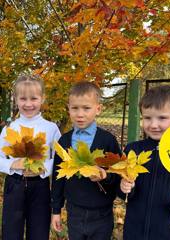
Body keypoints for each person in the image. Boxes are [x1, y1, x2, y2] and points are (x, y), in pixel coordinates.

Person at [118, 85, 170, 240]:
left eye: (162, 118)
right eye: (147, 118)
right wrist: (125, 188)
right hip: (134, 233)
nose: (153, 125)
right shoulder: (133, 150)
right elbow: (123, 193)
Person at [0, 75, 61, 240]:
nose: (28, 104)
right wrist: (14, 164)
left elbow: (60, 160)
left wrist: (43, 169)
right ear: (16, 99)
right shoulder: (10, 128)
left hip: (41, 187)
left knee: (38, 232)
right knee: (11, 233)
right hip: (14, 186)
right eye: (23, 98)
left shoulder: (51, 129)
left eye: (34, 98)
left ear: (42, 98)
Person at [51, 81, 122, 240]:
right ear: (68, 108)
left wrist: (105, 176)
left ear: (98, 109)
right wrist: (56, 210)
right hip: (74, 212)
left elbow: (117, 174)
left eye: (86, 108)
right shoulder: (64, 142)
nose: (80, 114)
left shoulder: (107, 140)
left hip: (101, 213)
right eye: (75, 108)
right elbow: (58, 178)